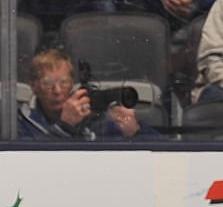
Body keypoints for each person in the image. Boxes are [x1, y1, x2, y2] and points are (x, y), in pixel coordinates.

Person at [18, 48, 159, 140]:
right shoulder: (21, 122)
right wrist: (65, 126)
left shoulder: (93, 112)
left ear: (73, 82)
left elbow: (164, 149)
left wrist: (135, 133)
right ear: (33, 85)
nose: (57, 91)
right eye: (47, 83)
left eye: (64, 82)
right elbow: (36, 164)